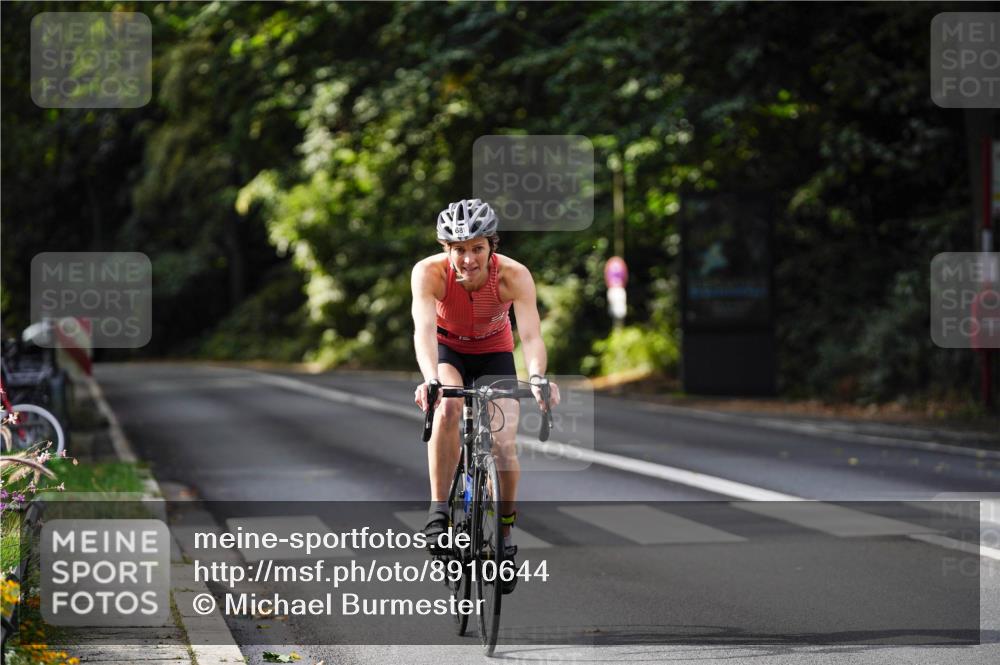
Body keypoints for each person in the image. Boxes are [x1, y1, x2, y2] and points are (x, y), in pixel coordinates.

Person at [412, 198, 560, 594]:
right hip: (449, 350)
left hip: (495, 351)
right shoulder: (429, 273)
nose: (468, 259)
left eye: (477, 248)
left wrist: (538, 377)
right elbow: (423, 331)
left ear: (491, 245)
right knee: (449, 407)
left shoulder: (513, 275)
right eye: (459, 250)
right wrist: (430, 380)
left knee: (502, 443)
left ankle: (506, 539)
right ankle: (439, 510)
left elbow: (530, 335)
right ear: (447, 250)